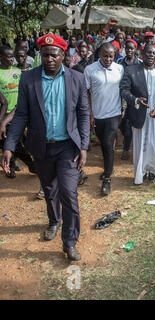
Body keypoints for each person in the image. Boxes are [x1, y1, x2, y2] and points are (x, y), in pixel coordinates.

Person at [1, 34, 90, 261]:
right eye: (45, 55)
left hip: (68, 147)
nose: (49, 59)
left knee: (69, 194)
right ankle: (54, 221)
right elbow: (21, 114)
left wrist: (84, 146)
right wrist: (9, 146)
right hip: (41, 147)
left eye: (54, 55)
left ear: (63, 55)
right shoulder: (28, 79)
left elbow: (82, 113)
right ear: (40, 55)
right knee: (50, 190)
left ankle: (69, 242)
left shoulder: (76, 78)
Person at [120, 44, 155, 185]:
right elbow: (124, 90)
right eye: (148, 53)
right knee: (140, 146)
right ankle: (140, 174)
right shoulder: (131, 71)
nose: (151, 55)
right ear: (142, 54)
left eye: (153, 53)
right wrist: (136, 100)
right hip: (139, 114)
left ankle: (152, 171)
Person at [84, 42, 124, 196]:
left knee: (108, 145)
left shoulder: (119, 69)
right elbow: (86, 92)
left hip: (113, 114)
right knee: (103, 144)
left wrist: (123, 108)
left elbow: (123, 90)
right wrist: (90, 113)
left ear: (115, 56)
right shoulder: (90, 70)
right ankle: (109, 166)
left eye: (111, 56)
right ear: (99, 54)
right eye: (105, 55)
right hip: (98, 115)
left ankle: (107, 178)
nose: (108, 59)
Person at [0, 45, 35, 178]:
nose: (11, 59)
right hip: (4, 114)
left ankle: (28, 165)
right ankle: (12, 165)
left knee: (16, 140)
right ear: (1, 58)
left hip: (18, 111)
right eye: (8, 57)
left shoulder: (17, 71)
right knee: (10, 141)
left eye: (12, 57)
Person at [117, 39, 142, 161]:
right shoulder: (120, 63)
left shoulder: (140, 63)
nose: (129, 50)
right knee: (123, 125)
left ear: (135, 49)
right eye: (127, 48)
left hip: (136, 99)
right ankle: (126, 145)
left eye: (132, 48)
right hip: (123, 97)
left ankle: (128, 149)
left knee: (132, 125)